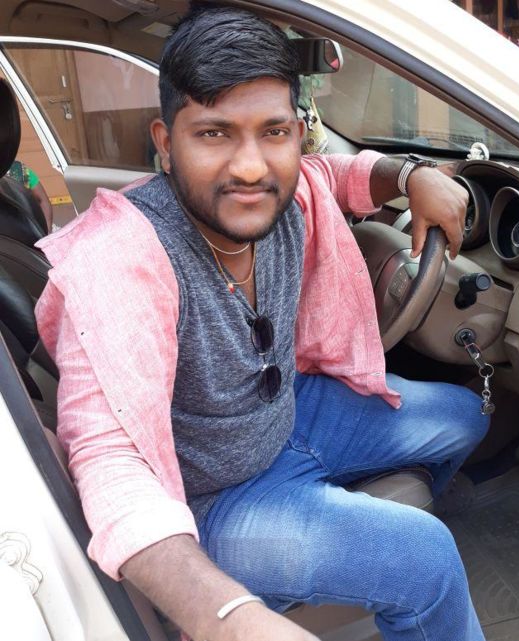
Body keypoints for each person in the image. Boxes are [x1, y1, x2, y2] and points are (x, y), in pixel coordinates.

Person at [34, 7, 489, 641]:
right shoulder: (121, 259)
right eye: (214, 134)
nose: (251, 167)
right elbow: (111, 463)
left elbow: (336, 175)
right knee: (426, 557)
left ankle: (347, 520)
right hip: (215, 498)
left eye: (273, 132)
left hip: (291, 414)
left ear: (297, 134)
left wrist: (412, 176)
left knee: (468, 416)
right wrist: (228, 620)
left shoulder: (288, 191)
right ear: (166, 143)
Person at [8, 159, 54, 232]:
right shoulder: (20, 169)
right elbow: (42, 200)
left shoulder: (21, 170)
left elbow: (42, 200)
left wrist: (48, 230)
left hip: (25, 227)